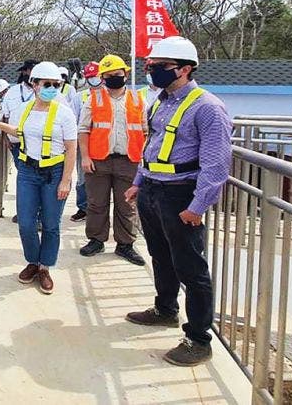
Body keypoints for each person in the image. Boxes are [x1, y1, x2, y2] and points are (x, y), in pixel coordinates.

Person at [123, 36, 232, 367]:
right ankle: (165, 308)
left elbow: (216, 164)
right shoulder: (160, 102)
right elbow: (151, 145)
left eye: (159, 67)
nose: (152, 71)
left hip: (181, 193)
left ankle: (198, 338)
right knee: (160, 254)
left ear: (185, 70)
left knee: (191, 266)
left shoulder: (208, 108)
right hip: (154, 189)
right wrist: (138, 182)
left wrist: (197, 206)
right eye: (150, 66)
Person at [0, 61, 77, 295]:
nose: (51, 88)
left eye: (56, 84)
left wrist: (66, 180)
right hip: (28, 170)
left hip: (54, 172)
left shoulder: (64, 113)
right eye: (46, 84)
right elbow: (20, 131)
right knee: (26, 222)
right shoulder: (25, 109)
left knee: (50, 223)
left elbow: (71, 148)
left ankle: (45, 267)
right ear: (34, 85)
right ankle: (32, 262)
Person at [78, 54, 146, 266]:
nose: (113, 79)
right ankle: (96, 240)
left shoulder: (137, 99)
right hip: (99, 160)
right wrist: (85, 157)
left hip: (129, 160)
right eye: (107, 76)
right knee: (96, 203)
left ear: (125, 74)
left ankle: (125, 244)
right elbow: (83, 130)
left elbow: (145, 131)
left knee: (127, 205)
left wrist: (143, 160)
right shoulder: (94, 99)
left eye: (117, 74)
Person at [0, 60, 40, 224]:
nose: (29, 75)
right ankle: (25, 213)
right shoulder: (13, 92)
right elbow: (5, 115)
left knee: (39, 180)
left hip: (39, 144)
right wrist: (5, 137)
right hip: (16, 142)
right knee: (25, 180)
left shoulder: (45, 93)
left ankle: (38, 216)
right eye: (27, 71)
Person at [71, 61, 102, 222]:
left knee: (102, 180)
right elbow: (73, 119)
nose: (94, 79)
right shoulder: (80, 97)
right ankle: (83, 207)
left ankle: (99, 211)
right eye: (90, 77)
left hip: (104, 144)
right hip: (84, 144)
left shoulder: (111, 95)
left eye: (96, 76)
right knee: (83, 178)